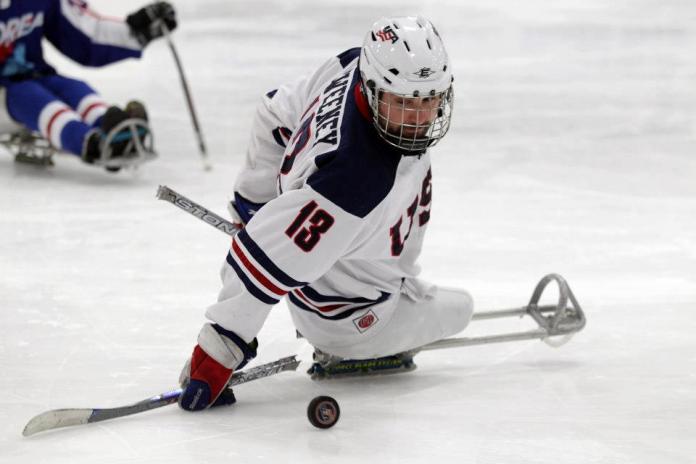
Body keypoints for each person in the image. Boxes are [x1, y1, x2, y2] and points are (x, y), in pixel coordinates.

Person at [178, 16, 474, 411]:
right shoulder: (356, 179)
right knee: (462, 309)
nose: (419, 120)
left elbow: (274, 112)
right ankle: (356, 343)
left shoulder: (352, 66)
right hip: (346, 318)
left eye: (429, 100)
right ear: (374, 89)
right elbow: (262, 263)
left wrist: (255, 205)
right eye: (404, 103)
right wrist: (219, 349)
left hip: (325, 266)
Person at [0, 0, 176, 170]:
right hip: (11, 94)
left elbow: (85, 36)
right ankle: (90, 143)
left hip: (30, 76)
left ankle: (115, 131)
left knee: (72, 88)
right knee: (28, 95)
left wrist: (139, 31)